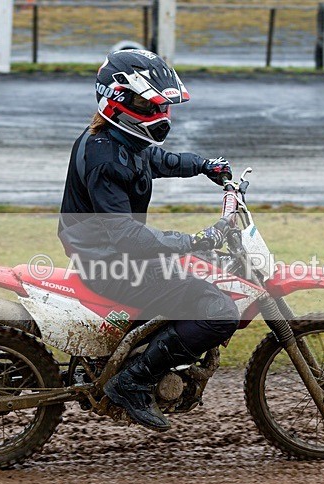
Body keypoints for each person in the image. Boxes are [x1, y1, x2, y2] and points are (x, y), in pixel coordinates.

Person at [58, 50, 240, 432]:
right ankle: (132, 382)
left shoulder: (118, 142)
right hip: (110, 264)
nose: (159, 116)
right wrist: (192, 240)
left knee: (195, 282)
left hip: (113, 256)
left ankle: (136, 361)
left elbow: (158, 162)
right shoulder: (106, 158)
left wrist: (205, 165)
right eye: (148, 104)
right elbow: (127, 237)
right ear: (122, 102)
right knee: (218, 311)